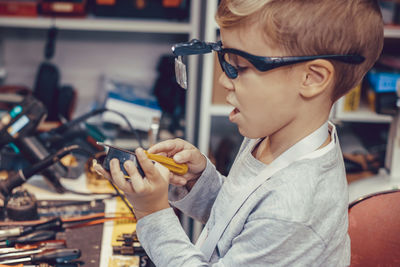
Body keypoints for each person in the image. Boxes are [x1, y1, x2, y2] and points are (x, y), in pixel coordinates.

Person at [94, 0, 384, 266]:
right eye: (226, 61)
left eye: (240, 67)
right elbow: (241, 220)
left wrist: (151, 214)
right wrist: (198, 181)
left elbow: (269, 217)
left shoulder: (294, 211)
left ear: (312, 78)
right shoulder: (272, 136)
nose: (223, 80)